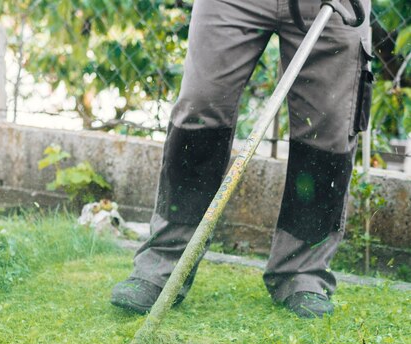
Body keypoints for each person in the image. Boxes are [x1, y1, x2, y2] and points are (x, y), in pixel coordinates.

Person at [111, 0, 372, 318]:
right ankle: (161, 267)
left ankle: (302, 275)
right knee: (200, 108)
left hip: (330, 5)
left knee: (326, 132)